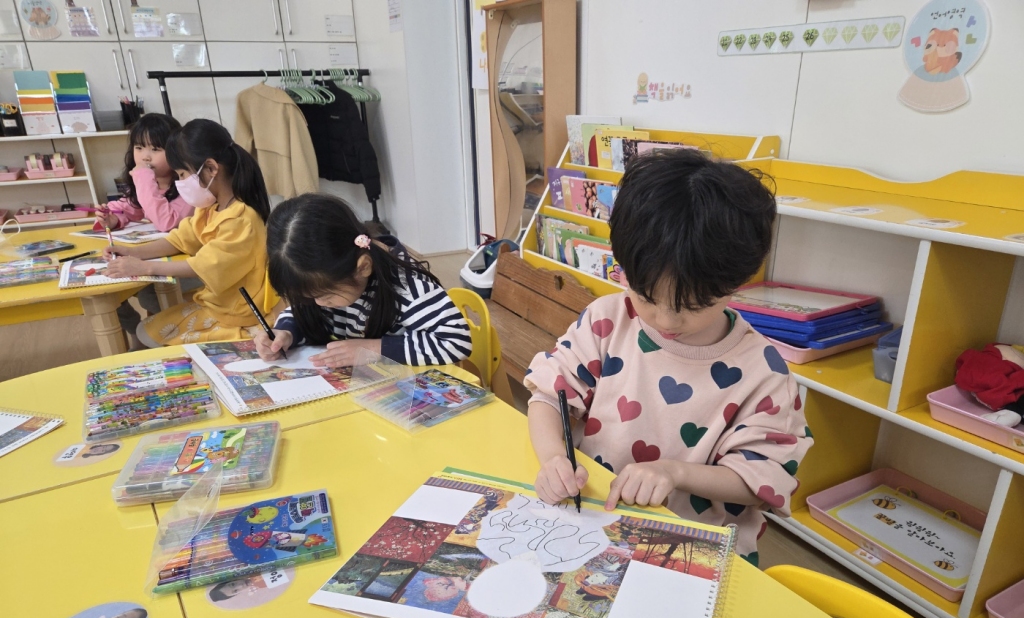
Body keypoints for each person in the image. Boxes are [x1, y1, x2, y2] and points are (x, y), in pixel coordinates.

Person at [523, 151, 813, 563]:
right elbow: (548, 396)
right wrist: (554, 458)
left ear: (737, 281)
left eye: (693, 306)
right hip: (595, 525)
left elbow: (761, 478)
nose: (665, 320)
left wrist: (674, 472)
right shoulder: (608, 321)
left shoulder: (764, 374)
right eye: (645, 296)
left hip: (693, 549)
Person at [103, 118, 279, 347]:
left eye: (183, 174)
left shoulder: (241, 218)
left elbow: (203, 266)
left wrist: (145, 267)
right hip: (219, 305)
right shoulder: (210, 207)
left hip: (239, 313)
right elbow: (180, 239)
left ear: (211, 168)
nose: (181, 182)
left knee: (151, 333)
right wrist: (132, 252)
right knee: (147, 330)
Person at [252, 194, 471, 367]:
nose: (318, 304)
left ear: (363, 267)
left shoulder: (408, 290)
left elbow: (456, 341)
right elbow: (302, 313)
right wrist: (286, 333)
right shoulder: (330, 284)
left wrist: (373, 349)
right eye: (310, 297)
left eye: (324, 296)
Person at [95, 113, 196, 347]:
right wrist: (112, 219)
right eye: (139, 148)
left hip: (185, 263)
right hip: (155, 255)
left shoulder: (186, 184)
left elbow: (166, 222)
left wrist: (143, 177)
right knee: (107, 286)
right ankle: (136, 331)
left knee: (149, 294)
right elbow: (130, 208)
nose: (145, 156)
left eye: (155, 149)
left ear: (175, 150)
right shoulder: (148, 183)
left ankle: (156, 336)